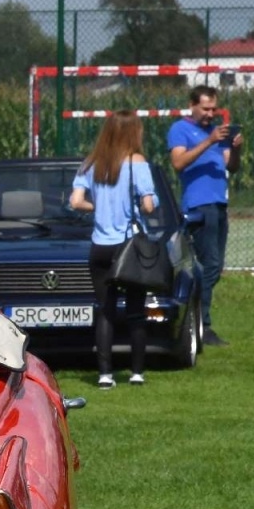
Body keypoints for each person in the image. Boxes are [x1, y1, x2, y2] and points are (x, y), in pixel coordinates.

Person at [69, 111, 156, 388]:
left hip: (100, 248)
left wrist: (99, 208)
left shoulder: (92, 163)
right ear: (133, 133)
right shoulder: (137, 163)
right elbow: (149, 205)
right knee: (135, 310)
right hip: (127, 247)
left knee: (105, 310)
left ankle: (105, 374)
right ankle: (137, 372)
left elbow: (76, 201)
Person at [167, 85, 244, 346]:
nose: (211, 113)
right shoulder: (181, 130)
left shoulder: (215, 133)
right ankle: (202, 324)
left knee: (215, 266)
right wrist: (208, 141)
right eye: (206, 108)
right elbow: (178, 162)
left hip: (219, 205)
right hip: (199, 206)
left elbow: (231, 166)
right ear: (193, 106)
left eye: (214, 109)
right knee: (207, 265)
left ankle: (197, 318)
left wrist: (234, 149)